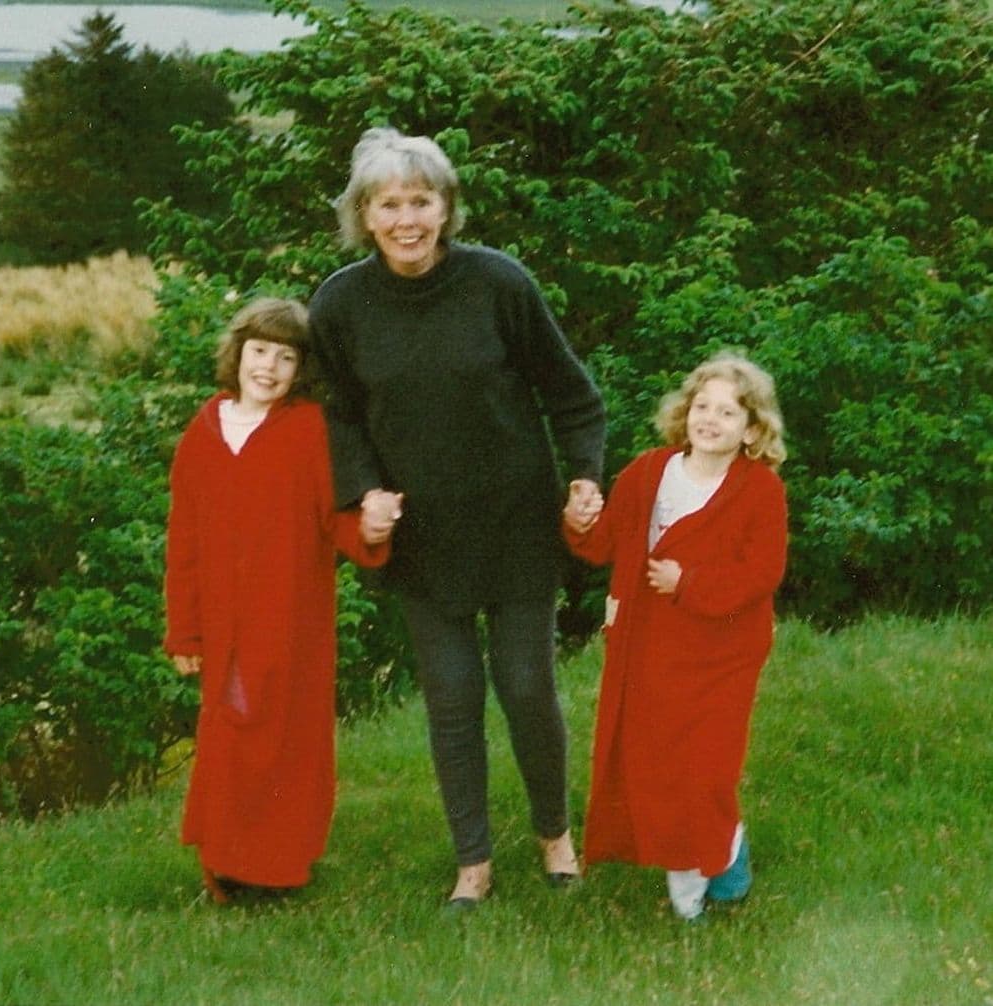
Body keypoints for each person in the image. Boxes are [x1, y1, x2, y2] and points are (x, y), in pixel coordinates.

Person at [307, 127, 606, 907]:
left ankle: (555, 836)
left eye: (421, 201)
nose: (406, 219)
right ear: (363, 216)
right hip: (422, 537)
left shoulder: (498, 283)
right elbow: (337, 415)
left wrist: (584, 476)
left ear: (446, 208)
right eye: (388, 205)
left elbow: (572, 394)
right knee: (452, 698)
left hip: (516, 523)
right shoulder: (339, 304)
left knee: (527, 688)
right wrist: (363, 494)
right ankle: (473, 862)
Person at [163, 297, 391, 904]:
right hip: (223, 625)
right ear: (238, 354)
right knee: (231, 738)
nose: (268, 367)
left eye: (285, 357)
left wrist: (371, 530)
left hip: (291, 620)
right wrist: (184, 631)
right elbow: (183, 542)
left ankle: (277, 864)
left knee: (287, 742)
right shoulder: (202, 436)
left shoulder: (309, 430)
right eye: (259, 351)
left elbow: (336, 520)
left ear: (301, 369)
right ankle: (225, 863)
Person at [563, 351, 787, 921]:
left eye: (729, 412)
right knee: (659, 767)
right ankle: (714, 872)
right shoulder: (647, 472)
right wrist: (581, 521)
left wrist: (689, 583)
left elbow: (762, 573)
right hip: (650, 651)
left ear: (752, 429)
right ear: (685, 412)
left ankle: (703, 885)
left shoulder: (760, 490)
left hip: (722, 656)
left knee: (706, 771)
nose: (711, 419)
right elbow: (604, 543)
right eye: (702, 406)